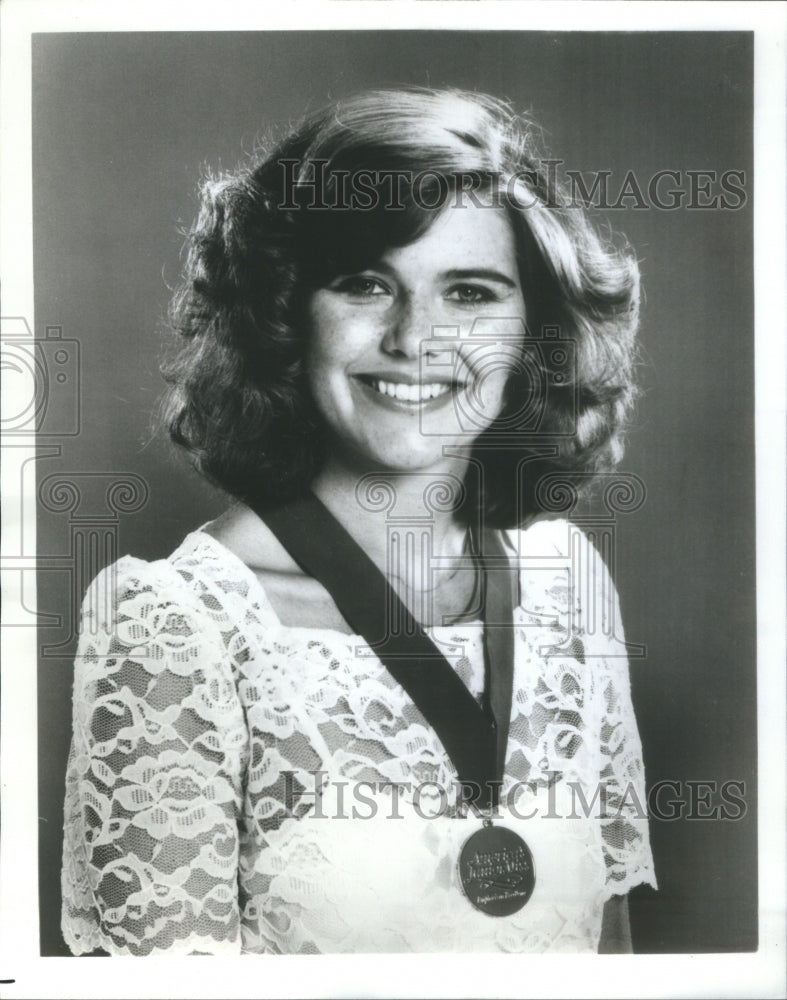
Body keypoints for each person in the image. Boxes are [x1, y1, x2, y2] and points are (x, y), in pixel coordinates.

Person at [61, 87, 656, 956]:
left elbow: (614, 957)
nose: (417, 337)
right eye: (365, 283)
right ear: (286, 313)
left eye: (470, 292)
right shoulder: (174, 626)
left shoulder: (567, 586)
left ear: (533, 330)